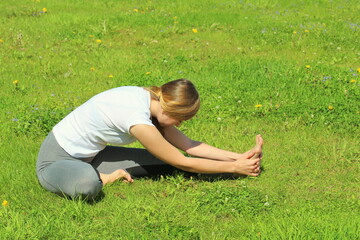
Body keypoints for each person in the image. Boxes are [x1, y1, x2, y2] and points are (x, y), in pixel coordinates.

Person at [36, 79, 263, 200]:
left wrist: (240, 157)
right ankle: (103, 177)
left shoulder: (152, 103)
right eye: (180, 119)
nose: (180, 124)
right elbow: (182, 161)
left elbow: (188, 146)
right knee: (87, 185)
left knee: (166, 163)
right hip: (56, 161)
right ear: (170, 109)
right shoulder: (136, 118)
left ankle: (96, 172)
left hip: (94, 156)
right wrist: (235, 167)